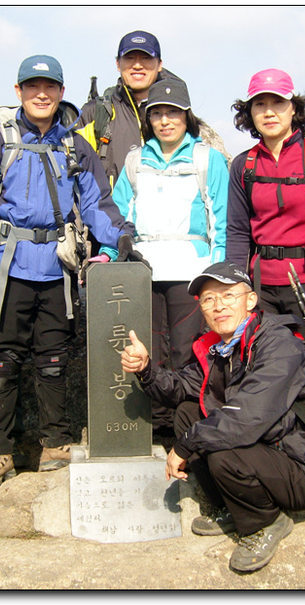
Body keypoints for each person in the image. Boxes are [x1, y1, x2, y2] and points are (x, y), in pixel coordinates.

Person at [0, 54, 136, 490]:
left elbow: (96, 203)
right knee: (2, 362)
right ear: (18, 91)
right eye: (33, 87)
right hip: (7, 268)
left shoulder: (76, 147)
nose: (42, 94)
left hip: (56, 268)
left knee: (54, 359)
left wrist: (122, 238)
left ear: (61, 92)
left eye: (50, 87)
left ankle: (55, 442)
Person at [121, 262, 305, 573]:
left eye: (228, 295)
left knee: (220, 449)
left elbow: (247, 417)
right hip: (264, 450)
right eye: (208, 299)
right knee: (187, 414)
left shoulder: (277, 344)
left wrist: (186, 445)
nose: (218, 306)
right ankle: (232, 506)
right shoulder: (220, 349)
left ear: (251, 300)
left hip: (301, 466)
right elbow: (182, 388)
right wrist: (147, 370)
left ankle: (266, 522)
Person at [106, 78, 228, 442]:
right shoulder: (135, 160)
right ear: (148, 119)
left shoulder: (207, 159)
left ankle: (185, 426)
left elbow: (221, 220)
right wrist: (110, 255)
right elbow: (118, 216)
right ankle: (156, 426)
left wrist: (218, 275)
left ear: (187, 116)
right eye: (156, 113)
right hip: (143, 269)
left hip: (191, 269)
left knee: (186, 351)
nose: (164, 121)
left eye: (173, 113)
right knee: (150, 349)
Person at [226, 68, 305, 336]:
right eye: (260, 104)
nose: (269, 112)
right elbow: (237, 232)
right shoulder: (244, 165)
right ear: (250, 112)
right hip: (261, 288)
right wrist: (235, 290)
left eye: (278, 102)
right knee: (265, 358)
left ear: (294, 108)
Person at [77, 30, 179, 189]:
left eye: (146, 58)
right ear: (118, 63)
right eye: (129, 58)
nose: (137, 65)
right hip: (110, 205)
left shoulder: (179, 112)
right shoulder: (95, 112)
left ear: (160, 64)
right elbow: (74, 170)